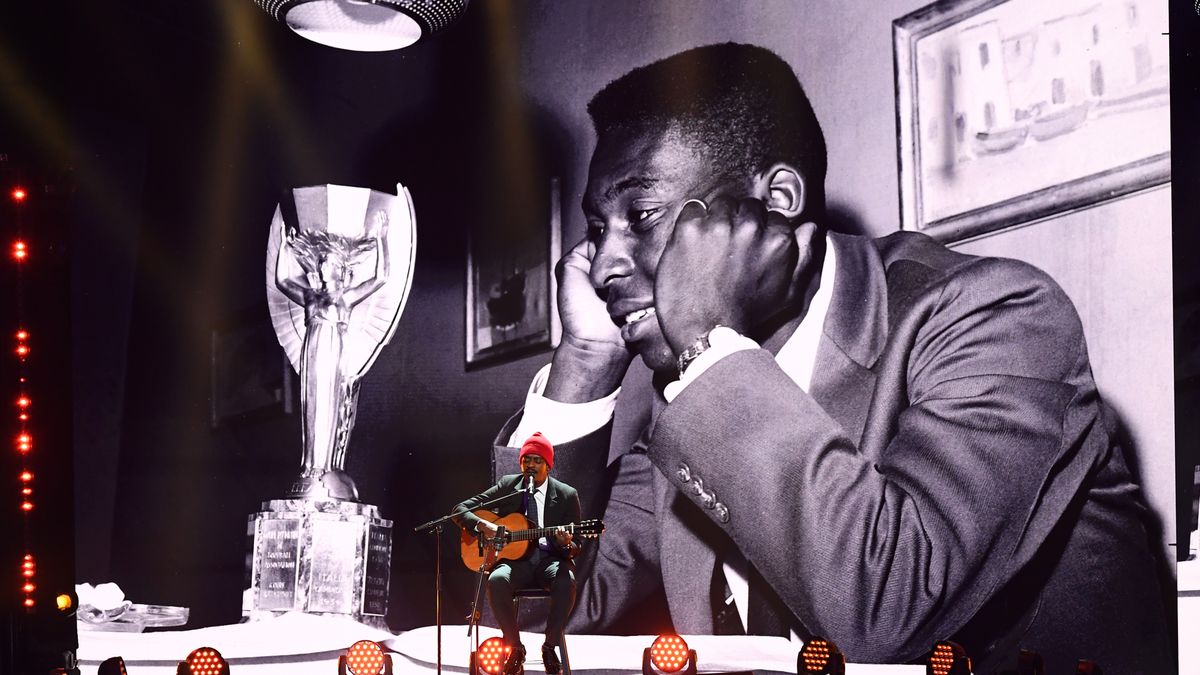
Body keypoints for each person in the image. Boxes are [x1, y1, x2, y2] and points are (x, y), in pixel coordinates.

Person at [491, 43, 1172, 674]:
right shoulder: (693, 391)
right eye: (598, 229)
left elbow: (887, 612)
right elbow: (525, 611)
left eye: (640, 215)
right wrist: (584, 365)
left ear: (775, 203)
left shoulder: (999, 317)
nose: (602, 264)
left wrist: (704, 343)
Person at [275, 212, 389, 499]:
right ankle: (310, 466)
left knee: (330, 405)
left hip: (334, 351)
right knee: (311, 405)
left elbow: (380, 278)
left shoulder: (345, 298)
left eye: (330, 263)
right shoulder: (310, 297)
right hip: (312, 350)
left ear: (340, 270)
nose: (324, 267)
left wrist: (381, 238)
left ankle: (326, 466)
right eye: (322, 263)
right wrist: (284, 245)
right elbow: (282, 280)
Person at [455, 432, 581, 675]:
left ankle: (550, 647)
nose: (530, 465)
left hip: (549, 561)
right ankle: (515, 648)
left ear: (548, 465)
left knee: (566, 581)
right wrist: (483, 525)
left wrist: (566, 543)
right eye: (526, 460)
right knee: (496, 580)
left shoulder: (567, 495)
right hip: (516, 563)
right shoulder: (509, 486)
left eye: (537, 460)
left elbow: (577, 543)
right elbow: (460, 509)